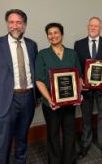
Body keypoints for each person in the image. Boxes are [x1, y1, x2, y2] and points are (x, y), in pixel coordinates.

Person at [0, 9, 38, 164]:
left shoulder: (31, 45)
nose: (15, 26)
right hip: (6, 100)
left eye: (19, 22)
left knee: (22, 137)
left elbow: (34, 71)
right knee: (4, 141)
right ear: (7, 24)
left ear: (24, 25)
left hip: (28, 98)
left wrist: (36, 96)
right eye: (11, 22)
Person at [35, 23, 82, 164]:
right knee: (53, 133)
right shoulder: (42, 55)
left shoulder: (72, 53)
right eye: (50, 33)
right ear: (47, 36)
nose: (53, 36)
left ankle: (69, 160)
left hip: (69, 102)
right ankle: (54, 161)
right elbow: (39, 80)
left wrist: (78, 94)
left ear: (62, 34)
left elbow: (78, 77)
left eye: (56, 32)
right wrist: (49, 99)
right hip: (50, 104)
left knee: (69, 132)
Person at [74, 17, 102, 159]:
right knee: (86, 117)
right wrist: (79, 80)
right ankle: (85, 143)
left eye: (96, 26)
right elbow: (77, 66)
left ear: (100, 28)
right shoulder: (78, 44)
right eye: (91, 25)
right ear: (88, 26)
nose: (93, 28)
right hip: (86, 89)